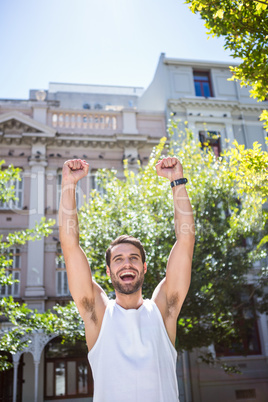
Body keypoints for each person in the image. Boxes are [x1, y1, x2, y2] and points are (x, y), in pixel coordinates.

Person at [59, 156, 195, 402]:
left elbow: (185, 242)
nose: (127, 263)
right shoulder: (97, 315)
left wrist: (178, 181)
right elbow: (70, 247)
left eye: (133, 258)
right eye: (118, 259)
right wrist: (69, 185)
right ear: (109, 271)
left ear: (143, 267)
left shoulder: (164, 312)